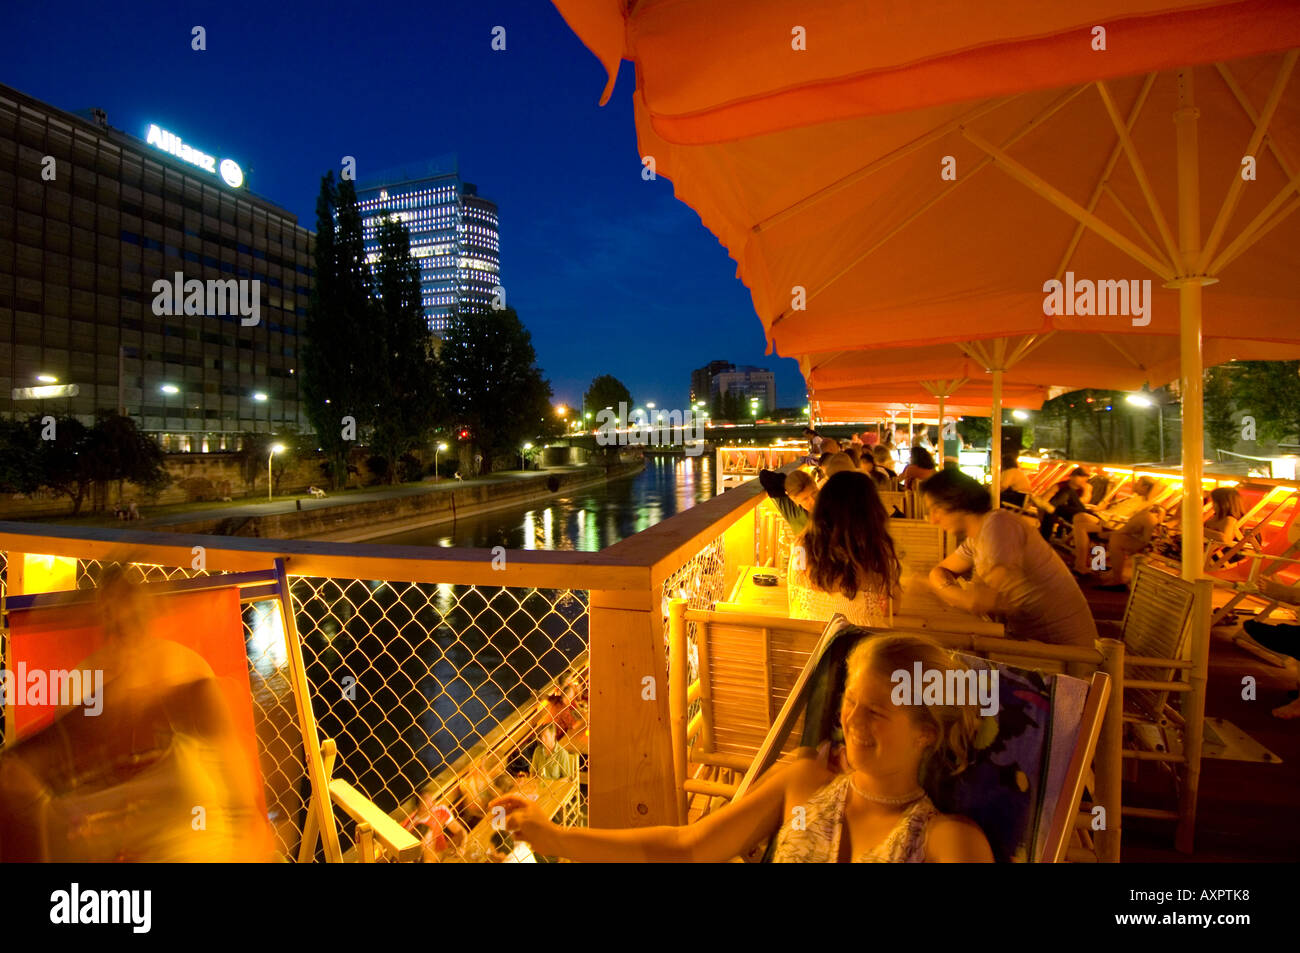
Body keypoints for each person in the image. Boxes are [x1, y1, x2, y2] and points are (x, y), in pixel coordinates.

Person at [489, 633, 994, 862]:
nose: (851, 722)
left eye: (877, 712)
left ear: (927, 730)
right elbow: (686, 848)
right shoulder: (806, 783)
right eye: (849, 701)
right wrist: (554, 836)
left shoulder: (946, 841)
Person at [923, 469, 1099, 649]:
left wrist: (930, 586)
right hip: (1033, 646)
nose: (933, 520)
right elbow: (940, 571)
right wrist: (941, 587)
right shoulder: (976, 537)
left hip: (1067, 656)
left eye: (935, 509)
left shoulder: (999, 526)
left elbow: (979, 602)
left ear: (957, 502)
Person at [788, 471, 901, 627]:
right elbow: (892, 608)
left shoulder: (800, 545)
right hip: (861, 641)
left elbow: (794, 587)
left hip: (811, 639)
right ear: (871, 510)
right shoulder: (878, 549)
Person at [1072, 476, 1159, 574]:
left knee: (1081, 527)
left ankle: (1081, 565)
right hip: (1106, 520)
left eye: (1138, 483)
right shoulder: (1133, 498)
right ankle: (1089, 562)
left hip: (1113, 526)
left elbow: (1131, 519)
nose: (1134, 483)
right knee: (1079, 517)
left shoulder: (1144, 502)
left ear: (1145, 487)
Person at [1093, 504, 1168, 590]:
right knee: (1115, 539)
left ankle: (1116, 578)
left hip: (1151, 546)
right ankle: (1114, 575)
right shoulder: (1150, 519)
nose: (1162, 519)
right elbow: (1146, 539)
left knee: (1115, 540)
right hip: (1153, 545)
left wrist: (1104, 534)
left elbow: (1127, 533)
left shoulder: (1145, 516)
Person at [1039, 467, 1091, 542]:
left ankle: (1044, 538)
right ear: (1071, 477)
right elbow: (1045, 499)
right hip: (1063, 513)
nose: (1083, 480)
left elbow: (1084, 500)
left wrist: (1086, 489)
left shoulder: (1086, 488)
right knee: (1053, 511)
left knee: (1068, 493)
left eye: (1085, 478)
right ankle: (1044, 539)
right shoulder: (1060, 485)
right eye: (1080, 476)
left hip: (1079, 512)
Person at [758, 467, 817, 533]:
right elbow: (765, 476)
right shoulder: (793, 512)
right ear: (794, 500)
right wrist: (790, 485)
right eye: (805, 499)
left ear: (816, 486)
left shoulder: (829, 501)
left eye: (814, 493)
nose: (813, 501)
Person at [1205, 487, 1247, 567]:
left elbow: (1225, 538)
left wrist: (1198, 530)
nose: (1211, 505)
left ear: (1222, 503)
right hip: (1208, 551)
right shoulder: (1217, 516)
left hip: (1217, 555)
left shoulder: (1229, 519)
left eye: (1213, 502)